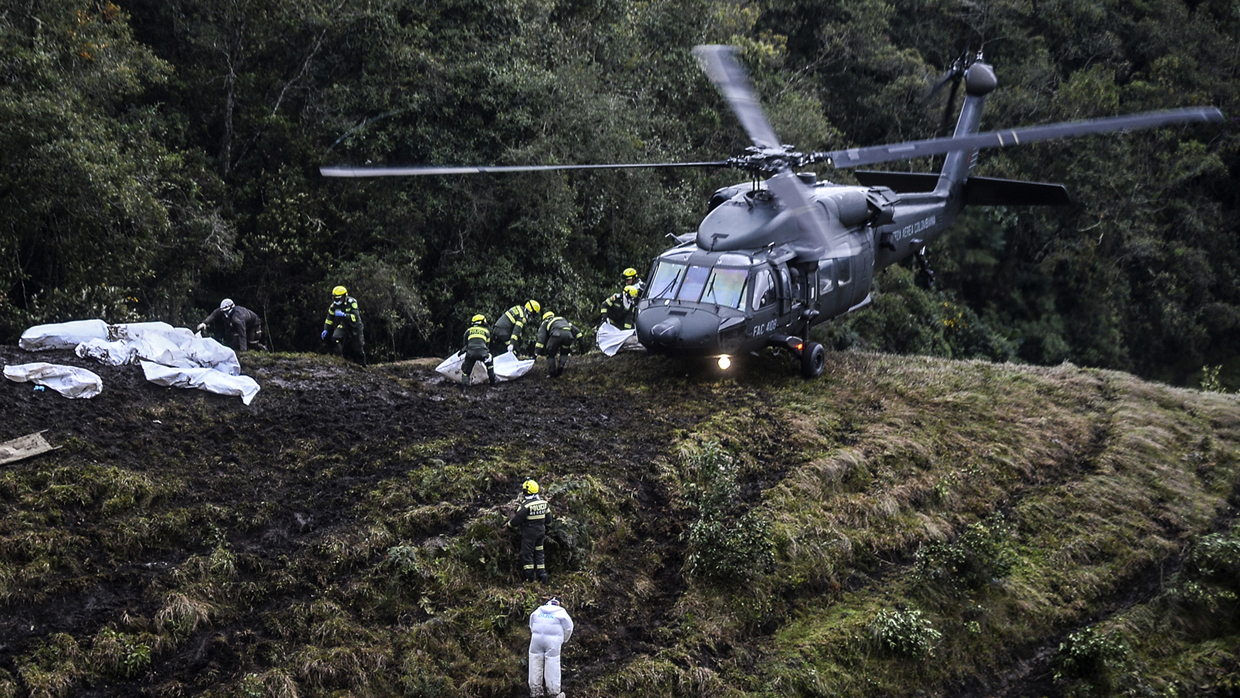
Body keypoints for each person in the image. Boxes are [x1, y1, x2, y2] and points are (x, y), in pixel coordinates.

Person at [527, 596, 574, 698]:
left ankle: (535, 691)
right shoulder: (561, 612)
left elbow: (531, 622)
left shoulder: (539, 609)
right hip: (553, 642)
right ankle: (554, 692)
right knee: (552, 663)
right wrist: (564, 639)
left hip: (536, 640)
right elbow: (569, 627)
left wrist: (535, 633)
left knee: (534, 661)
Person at [508, 479, 550, 583]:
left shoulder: (526, 505)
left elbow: (517, 519)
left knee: (527, 554)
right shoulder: (544, 503)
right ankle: (542, 576)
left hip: (529, 534)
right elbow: (549, 520)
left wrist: (508, 526)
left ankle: (529, 578)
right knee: (539, 552)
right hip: (541, 532)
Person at [197, 298, 268, 352]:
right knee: (235, 344)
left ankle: (263, 349)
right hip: (242, 324)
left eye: (226, 311)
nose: (225, 314)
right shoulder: (223, 311)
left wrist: (244, 352)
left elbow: (242, 335)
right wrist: (205, 323)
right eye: (223, 312)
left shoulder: (237, 318)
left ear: (231, 308)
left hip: (253, 325)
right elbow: (214, 314)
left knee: (251, 343)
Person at [321, 285, 367, 366]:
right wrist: (326, 329)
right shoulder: (333, 306)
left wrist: (344, 315)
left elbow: (355, 317)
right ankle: (340, 359)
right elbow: (329, 318)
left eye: (337, 299)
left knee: (358, 349)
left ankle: (363, 366)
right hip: (344, 325)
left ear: (344, 297)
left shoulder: (352, 302)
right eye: (334, 298)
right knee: (334, 338)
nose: (335, 300)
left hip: (355, 326)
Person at [535, 311, 580, 377]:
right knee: (564, 352)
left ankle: (552, 373)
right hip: (568, 336)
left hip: (556, 335)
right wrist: (582, 347)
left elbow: (541, 339)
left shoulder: (545, 322)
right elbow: (577, 331)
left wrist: (536, 353)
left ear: (545, 318)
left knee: (550, 354)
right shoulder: (562, 320)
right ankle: (561, 367)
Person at [461, 313, 496, 388]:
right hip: (483, 353)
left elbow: (465, 344)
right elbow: (487, 345)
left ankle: (464, 388)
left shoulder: (468, 331)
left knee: (466, 371)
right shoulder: (486, 331)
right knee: (490, 363)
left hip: (470, 354)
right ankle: (493, 382)